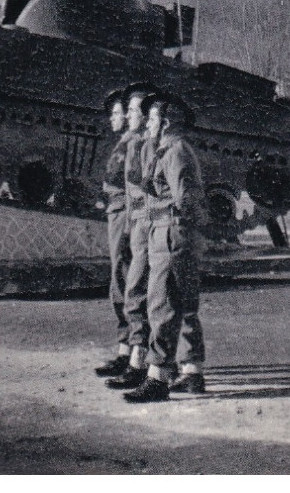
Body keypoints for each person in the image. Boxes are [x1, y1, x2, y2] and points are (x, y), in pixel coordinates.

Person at [125, 92, 207, 403]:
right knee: (184, 305)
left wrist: (158, 215)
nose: (148, 123)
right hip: (170, 234)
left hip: (170, 235)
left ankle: (157, 377)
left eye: (154, 118)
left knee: (161, 305)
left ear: (167, 122)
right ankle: (192, 371)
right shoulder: (167, 150)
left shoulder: (175, 152)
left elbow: (184, 201)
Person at [105, 83, 156, 391]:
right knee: (121, 284)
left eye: (134, 111)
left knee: (132, 287)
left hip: (132, 219)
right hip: (123, 215)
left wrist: (130, 223)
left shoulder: (140, 144)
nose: (126, 115)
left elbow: (139, 190)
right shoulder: (130, 140)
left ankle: (137, 357)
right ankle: (129, 351)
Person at [95, 89, 133, 378]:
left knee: (125, 279)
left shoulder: (134, 144)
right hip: (115, 211)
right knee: (119, 280)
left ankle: (132, 351)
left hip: (125, 215)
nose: (114, 118)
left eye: (118, 113)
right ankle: (126, 348)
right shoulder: (124, 142)